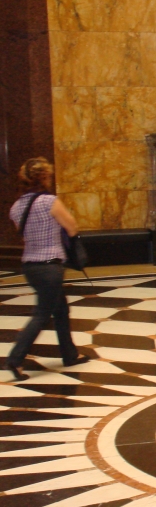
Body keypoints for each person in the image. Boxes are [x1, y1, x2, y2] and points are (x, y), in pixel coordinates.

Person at [6, 158, 89, 381]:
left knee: (60, 309)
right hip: (50, 266)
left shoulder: (16, 207)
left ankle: (69, 354)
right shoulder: (49, 201)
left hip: (30, 265)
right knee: (42, 314)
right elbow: (72, 226)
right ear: (44, 177)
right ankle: (15, 359)